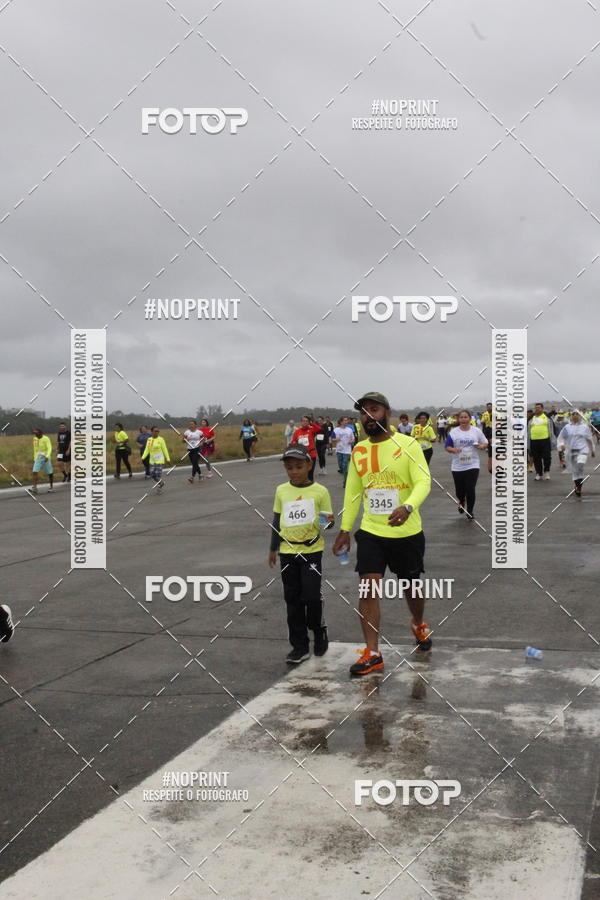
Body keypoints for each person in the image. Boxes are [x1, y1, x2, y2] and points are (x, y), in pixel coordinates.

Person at [332, 392, 431, 677]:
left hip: (406, 531)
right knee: (368, 586)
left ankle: (418, 623)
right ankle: (373, 653)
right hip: (372, 532)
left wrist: (408, 507)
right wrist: (345, 530)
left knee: (411, 586)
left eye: (373, 410)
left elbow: (423, 481)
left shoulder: (408, 444)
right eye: (363, 412)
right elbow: (353, 493)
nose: (368, 416)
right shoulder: (359, 450)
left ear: (387, 412)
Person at [268, 444, 333, 664]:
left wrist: (328, 522)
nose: (294, 471)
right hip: (288, 552)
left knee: (311, 596)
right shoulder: (281, 490)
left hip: (311, 552)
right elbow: (277, 521)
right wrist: (273, 548)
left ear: (309, 465)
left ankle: (319, 629)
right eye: (289, 468)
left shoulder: (320, 492)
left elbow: (326, 523)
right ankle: (299, 646)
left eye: (298, 466)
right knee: (293, 600)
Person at [445, 410, 488, 522]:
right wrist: (453, 449)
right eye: (461, 417)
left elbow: (485, 442)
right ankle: (461, 500)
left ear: (470, 419)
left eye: (466, 417)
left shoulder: (476, 431)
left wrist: (481, 446)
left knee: (470, 488)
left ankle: (470, 511)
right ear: (458, 419)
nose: (463, 419)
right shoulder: (454, 432)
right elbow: (447, 447)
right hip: (457, 466)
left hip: (473, 464)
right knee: (459, 491)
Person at [557, 410, 595, 498]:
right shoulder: (567, 427)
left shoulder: (584, 427)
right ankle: (578, 487)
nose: (575, 416)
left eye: (577, 414)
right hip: (571, 452)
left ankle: (578, 487)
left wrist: (592, 450)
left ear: (580, 416)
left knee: (579, 466)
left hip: (582, 451)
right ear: (571, 416)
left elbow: (589, 439)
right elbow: (560, 438)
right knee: (575, 471)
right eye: (573, 414)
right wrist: (561, 445)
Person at [528, 403, 558, 481]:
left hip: (545, 440)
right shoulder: (531, 418)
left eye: (538, 408)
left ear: (542, 408)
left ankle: (546, 471)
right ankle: (539, 473)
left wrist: (554, 439)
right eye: (536, 408)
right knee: (536, 458)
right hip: (534, 441)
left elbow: (552, 429)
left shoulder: (547, 418)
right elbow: (527, 429)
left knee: (547, 457)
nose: (537, 409)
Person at [291, 415, 320, 482]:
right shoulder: (297, 432)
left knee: (310, 473)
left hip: (311, 454)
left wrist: (311, 424)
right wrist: (293, 444)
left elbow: (319, 429)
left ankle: (310, 485)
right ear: (301, 422)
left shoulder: (311, 430)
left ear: (309, 422)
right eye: (303, 421)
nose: (305, 422)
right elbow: (293, 442)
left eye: (307, 421)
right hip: (301, 455)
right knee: (302, 473)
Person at [142, 426, 170, 494]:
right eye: (155, 431)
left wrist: (168, 458)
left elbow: (164, 449)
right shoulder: (149, 439)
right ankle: (161, 482)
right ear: (152, 432)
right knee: (152, 474)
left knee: (158, 474)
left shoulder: (161, 439)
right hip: (152, 460)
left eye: (158, 431)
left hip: (160, 460)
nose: (157, 432)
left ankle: (159, 488)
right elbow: (147, 449)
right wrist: (143, 457)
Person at [331, 416, 354, 486]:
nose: (346, 422)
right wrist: (336, 439)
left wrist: (351, 441)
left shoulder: (349, 430)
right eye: (345, 420)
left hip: (347, 450)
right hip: (339, 450)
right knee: (340, 465)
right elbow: (332, 439)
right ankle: (342, 471)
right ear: (341, 422)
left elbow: (353, 439)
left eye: (347, 420)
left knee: (345, 465)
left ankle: (346, 480)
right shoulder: (336, 430)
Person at [31, 427, 54, 494]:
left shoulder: (46, 438)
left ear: (41, 433)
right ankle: (34, 488)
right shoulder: (35, 439)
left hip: (45, 458)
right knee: (34, 472)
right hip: (38, 458)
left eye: (37, 433)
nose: (36, 435)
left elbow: (49, 448)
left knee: (49, 473)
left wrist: (47, 456)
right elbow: (35, 449)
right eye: (35, 433)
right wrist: (35, 458)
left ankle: (51, 486)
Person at [480, 402, 494, 474]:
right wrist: (484, 420)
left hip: (494, 429)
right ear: (486, 407)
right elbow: (481, 422)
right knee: (488, 442)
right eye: (488, 407)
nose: (489, 408)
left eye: (490, 406)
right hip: (487, 429)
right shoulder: (484, 414)